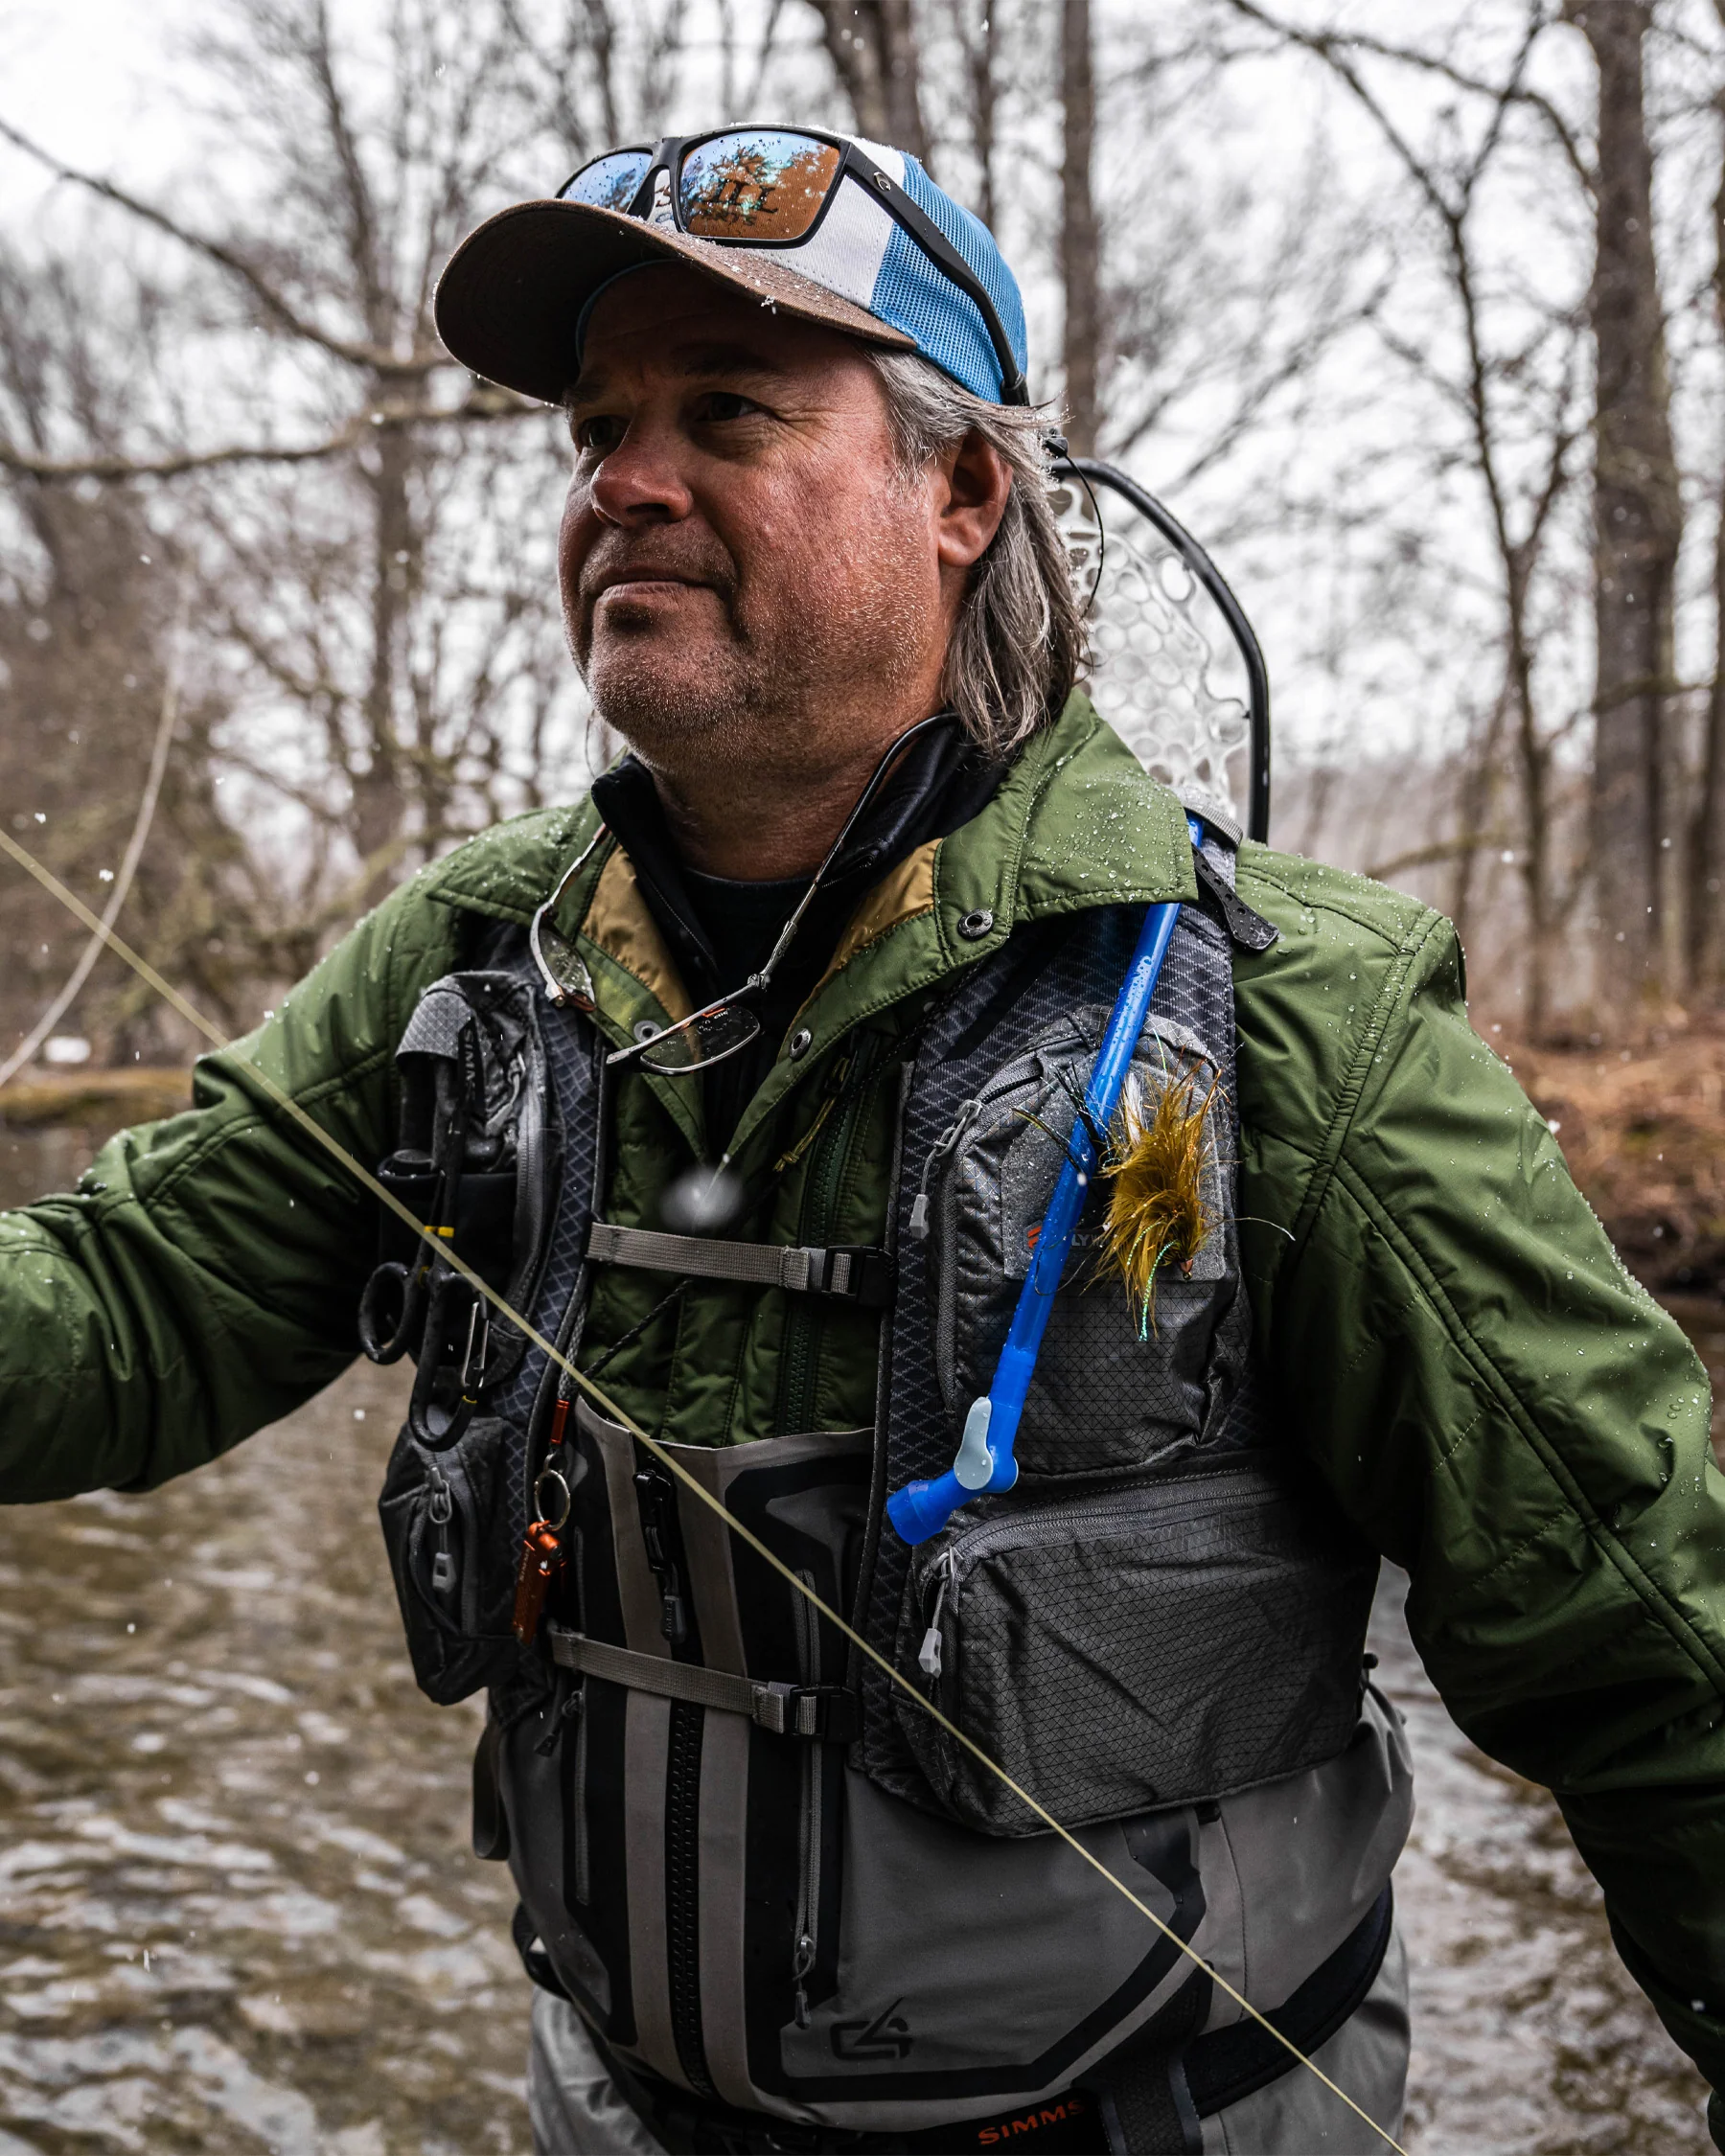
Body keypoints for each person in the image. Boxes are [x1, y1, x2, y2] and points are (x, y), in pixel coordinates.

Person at [3, 125, 1724, 2156]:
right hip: (616, 2111)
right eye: (596, 430)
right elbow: (110, 1318)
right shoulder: (462, 962)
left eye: (724, 411)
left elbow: (1657, 1665)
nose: (620, 482)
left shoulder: (1292, 1014)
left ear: (963, 493)